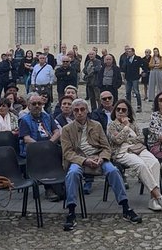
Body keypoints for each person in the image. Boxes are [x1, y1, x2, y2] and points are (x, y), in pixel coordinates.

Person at [58, 99, 142, 232]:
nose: (79, 113)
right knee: (72, 174)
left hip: (98, 158)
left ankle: (126, 207)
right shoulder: (67, 129)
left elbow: (106, 147)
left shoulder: (96, 125)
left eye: (82, 109)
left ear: (87, 111)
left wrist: (102, 158)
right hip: (79, 160)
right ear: (73, 112)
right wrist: (84, 161)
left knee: (113, 171)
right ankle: (71, 211)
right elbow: (67, 153)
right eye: (76, 110)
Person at [106, 101, 162, 212]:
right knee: (141, 165)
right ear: (115, 111)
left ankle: (153, 200)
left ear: (128, 112)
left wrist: (125, 137)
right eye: (118, 109)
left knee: (154, 162)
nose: (120, 112)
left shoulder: (134, 124)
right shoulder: (111, 125)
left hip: (138, 148)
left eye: (124, 110)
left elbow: (141, 139)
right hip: (122, 152)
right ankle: (159, 196)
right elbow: (116, 141)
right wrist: (126, 128)